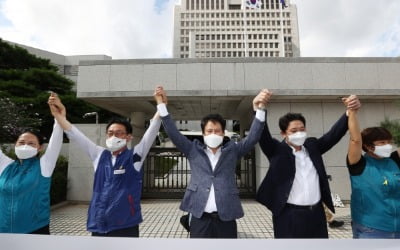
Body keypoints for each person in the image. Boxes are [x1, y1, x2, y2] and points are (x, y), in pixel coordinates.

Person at [154, 86, 269, 238]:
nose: (213, 134)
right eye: (209, 131)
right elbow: (174, 134)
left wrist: (259, 109)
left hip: (226, 216)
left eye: (217, 130)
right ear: (203, 133)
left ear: (223, 133)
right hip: (199, 217)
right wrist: (161, 105)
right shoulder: (192, 150)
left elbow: (253, 137)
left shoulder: (232, 151)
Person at [49, 95, 161, 237]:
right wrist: (58, 116)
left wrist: (160, 105)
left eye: (120, 133)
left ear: (129, 137)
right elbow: (75, 134)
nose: (114, 136)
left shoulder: (134, 157)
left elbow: (150, 133)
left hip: (126, 224)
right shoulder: (99, 154)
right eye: (111, 133)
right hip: (99, 221)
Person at [256, 94, 361, 238]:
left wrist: (349, 112)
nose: (299, 133)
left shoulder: (312, 147)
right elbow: (262, 135)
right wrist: (259, 109)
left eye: (302, 129)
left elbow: (333, 135)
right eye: (294, 131)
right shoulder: (276, 151)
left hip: (316, 214)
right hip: (288, 216)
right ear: (283, 133)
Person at [0, 92, 64, 234]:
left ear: (39, 147)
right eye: (21, 142)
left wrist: (58, 115)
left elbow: (56, 140)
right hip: (3, 231)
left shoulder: (44, 166)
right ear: (15, 144)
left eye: (31, 143)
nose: (25, 146)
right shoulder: (5, 166)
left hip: (35, 231)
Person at [346, 98, 400, 238]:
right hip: (371, 229)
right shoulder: (359, 163)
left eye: (389, 142)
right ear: (369, 146)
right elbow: (355, 140)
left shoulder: (394, 161)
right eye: (382, 142)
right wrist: (352, 112)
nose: (387, 145)